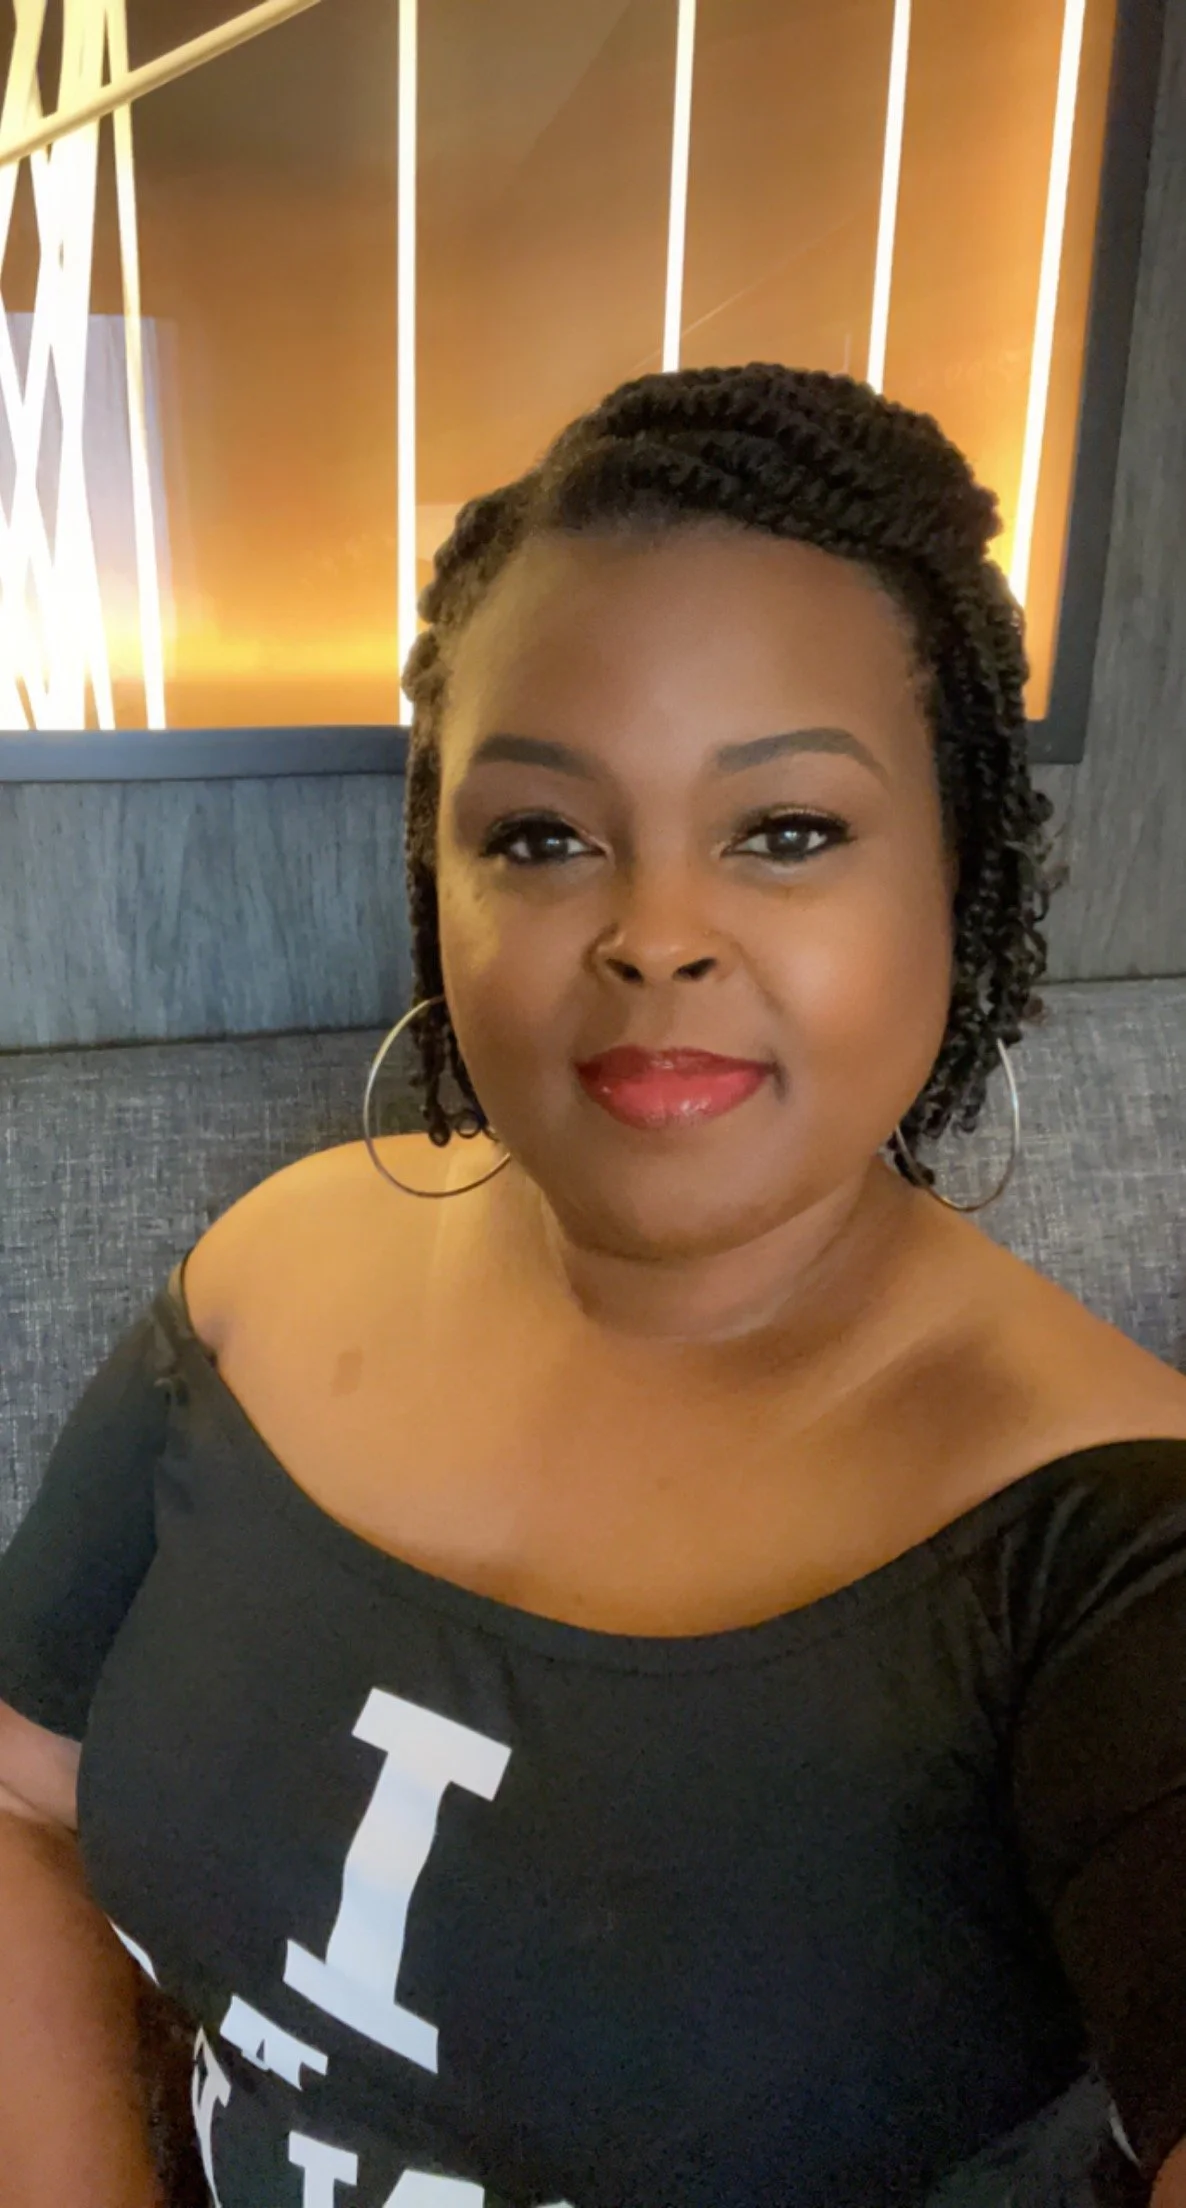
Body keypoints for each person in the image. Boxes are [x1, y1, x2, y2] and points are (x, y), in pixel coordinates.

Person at [1, 363, 1185, 2208]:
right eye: (542, 837)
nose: (654, 936)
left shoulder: (1112, 1539)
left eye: (785, 830)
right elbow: (19, 1798)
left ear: (959, 875)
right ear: (436, 881)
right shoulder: (267, 1274)